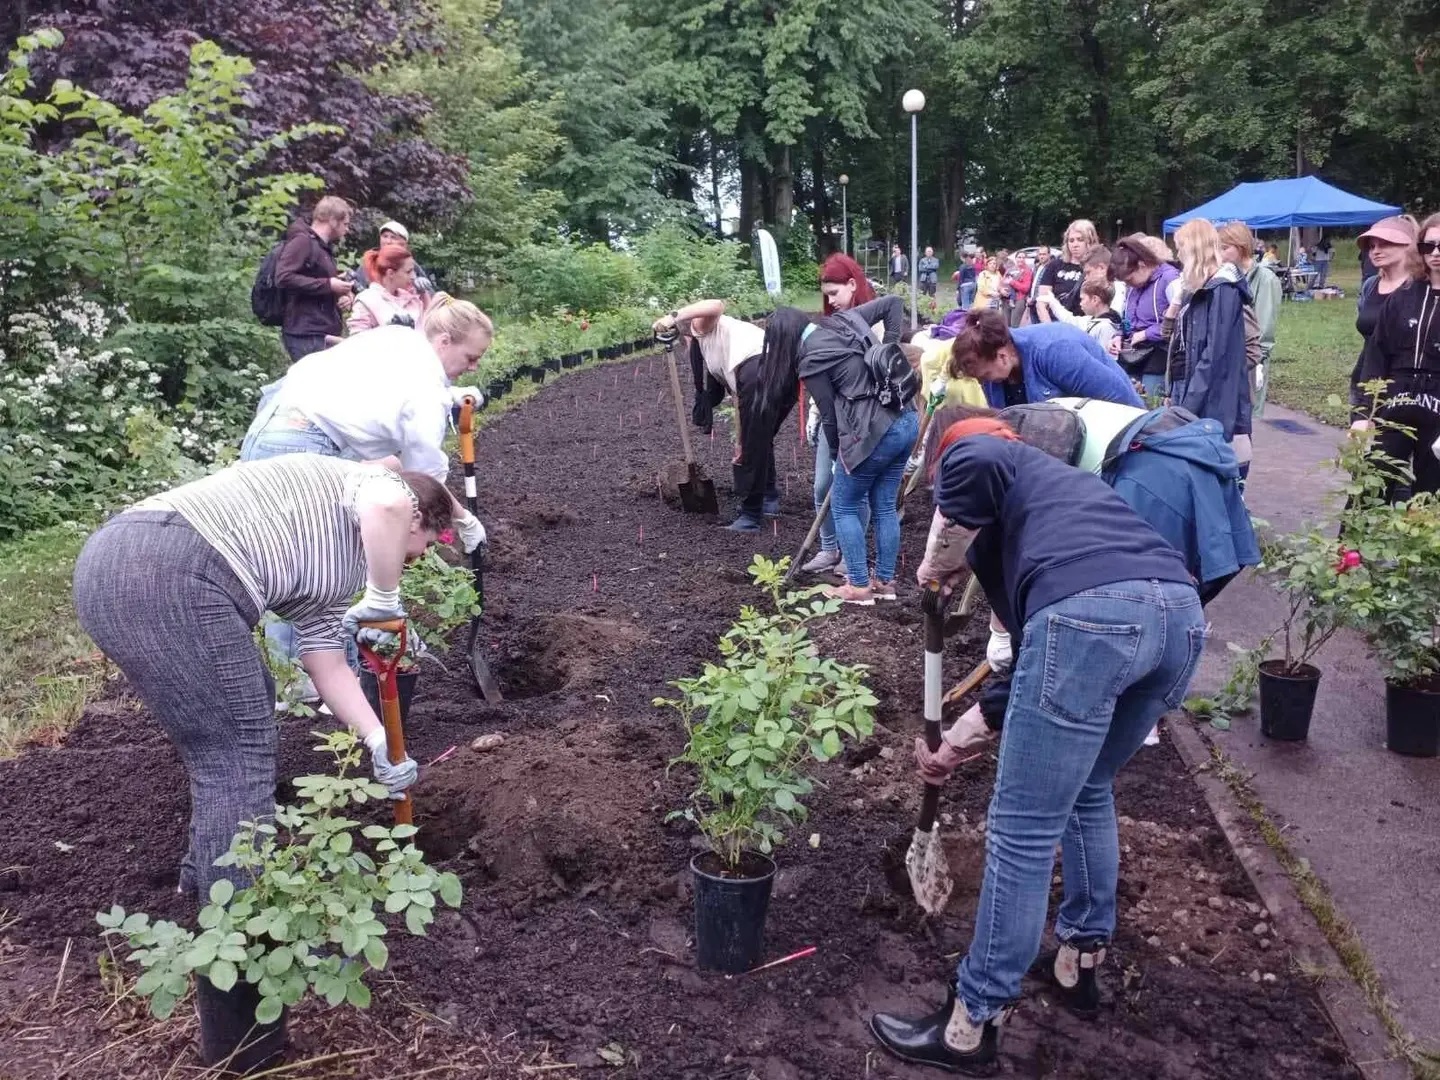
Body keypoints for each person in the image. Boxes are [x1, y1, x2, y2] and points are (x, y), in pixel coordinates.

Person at [869, 427, 1204, 1076]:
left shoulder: (980, 450)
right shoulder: (1060, 508)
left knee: (1022, 833)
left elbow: (1062, 641)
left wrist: (939, 551)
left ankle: (973, 1022)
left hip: (1095, 622)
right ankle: (1079, 961)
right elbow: (1037, 663)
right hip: (1176, 618)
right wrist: (960, 741)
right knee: (1088, 786)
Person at [73, 456, 450, 903]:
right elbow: (388, 504)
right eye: (424, 545)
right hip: (173, 561)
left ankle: (197, 887)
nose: (420, 557)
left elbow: (327, 665)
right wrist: (385, 598)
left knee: (235, 726)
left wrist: (376, 740)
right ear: (417, 518)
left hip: (116, 565)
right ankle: (239, 942)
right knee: (238, 752)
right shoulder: (371, 484)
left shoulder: (343, 573)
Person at [241, 302, 494, 692]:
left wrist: (451, 394)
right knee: (313, 562)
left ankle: (330, 663)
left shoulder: (402, 339)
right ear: (444, 341)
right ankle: (306, 683)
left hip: (276, 420)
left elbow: (379, 384)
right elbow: (422, 480)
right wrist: (461, 518)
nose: (474, 366)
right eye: (470, 357)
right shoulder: (424, 392)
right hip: (300, 441)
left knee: (317, 553)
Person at [766, 294, 914, 604]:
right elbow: (894, 303)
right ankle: (884, 582)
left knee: (844, 504)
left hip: (874, 432)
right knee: (884, 504)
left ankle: (858, 586)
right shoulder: (846, 319)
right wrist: (886, 349)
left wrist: (838, 456)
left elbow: (830, 418)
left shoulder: (810, 359)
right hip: (907, 418)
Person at [651, 299, 772, 531]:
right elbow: (737, 397)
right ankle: (769, 498)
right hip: (766, 372)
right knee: (759, 435)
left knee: (755, 440)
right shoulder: (707, 349)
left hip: (763, 368)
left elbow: (716, 304)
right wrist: (739, 441)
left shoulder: (701, 326)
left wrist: (672, 316)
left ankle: (751, 515)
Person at [1353, 212, 1440, 501]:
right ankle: (1354, 547)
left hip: (1437, 405)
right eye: (1429, 246)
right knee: (1371, 485)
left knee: (1430, 495)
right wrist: (1364, 413)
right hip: (1395, 398)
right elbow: (1376, 357)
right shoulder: (1404, 296)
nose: (1436, 253)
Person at [801, 255, 880, 573]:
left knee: (855, 490)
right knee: (822, 485)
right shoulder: (829, 326)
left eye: (834, 293)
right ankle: (828, 549)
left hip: (862, 422)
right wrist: (813, 412)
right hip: (830, 418)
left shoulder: (875, 324)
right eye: (826, 296)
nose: (830, 302)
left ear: (852, 285)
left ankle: (851, 555)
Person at [1164, 219, 1257, 475]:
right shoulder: (1201, 289)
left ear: (1194, 249)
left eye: (1180, 247)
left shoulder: (1223, 289)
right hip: (1195, 389)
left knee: (1213, 470)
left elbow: (1214, 355)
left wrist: (1188, 407)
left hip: (1213, 399)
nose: (1178, 254)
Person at [948, 310, 1143, 410]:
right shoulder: (993, 370)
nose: (984, 383)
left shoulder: (1056, 351)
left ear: (1003, 356)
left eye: (985, 376)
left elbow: (1120, 401)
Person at [1350, 216, 1421, 408]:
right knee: (1361, 436)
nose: (1376, 251)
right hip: (1365, 382)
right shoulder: (1370, 286)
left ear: (1409, 246)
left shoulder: (1422, 288)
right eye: (1372, 246)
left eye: (1385, 244)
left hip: (1408, 388)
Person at [275, 195, 353, 361]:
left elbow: (314, 280)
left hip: (320, 331)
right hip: (305, 333)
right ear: (333, 220)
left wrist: (340, 293)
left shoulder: (322, 247)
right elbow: (283, 276)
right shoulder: (302, 241)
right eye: (345, 223)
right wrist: (328, 285)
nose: (347, 229)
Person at [1218, 222, 1283, 410]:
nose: (1220, 254)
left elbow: (1264, 328)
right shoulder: (1228, 275)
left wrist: (1256, 365)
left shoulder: (1265, 279)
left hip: (1249, 362)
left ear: (1241, 247)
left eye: (1225, 248)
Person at [1110, 234, 1180, 397]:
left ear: (1142, 265)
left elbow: (1182, 318)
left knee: (1151, 402)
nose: (1128, 284)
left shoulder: (1170, 278)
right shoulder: (1132, 287)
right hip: (1133, 357)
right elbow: (1127, 319)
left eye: (1129, 279)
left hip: (1159, 355)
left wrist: (1146, 334)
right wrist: (1119, 335)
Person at [348, 245, 427, 334]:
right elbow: (357, 340)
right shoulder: (367, 300)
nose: (413, 276)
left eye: (413, 271)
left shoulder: (411, 298)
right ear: (391, 273)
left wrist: (424, 294)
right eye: (408, 272)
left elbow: (429, 328)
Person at [1034, 220, 1094, 321]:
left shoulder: (1096, 267)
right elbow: (1042, 302)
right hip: (1056, 324)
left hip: (1084, 325)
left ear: (1090, 241)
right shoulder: (1054, 265)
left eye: (1080, 239)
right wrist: (1050, 330)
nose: (1075, 244)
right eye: (1071, 240)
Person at [1041, 280, 1121, 354]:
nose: (1080, 303)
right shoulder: (1091, 320)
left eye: (1082, 299)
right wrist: (1053, 302)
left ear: (1095, 300)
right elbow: (1069, 319)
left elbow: (1106, 359)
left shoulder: (1106, 327)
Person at [1001, 255, 1033, 328]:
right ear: (1015, 258)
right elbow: (1001, 283)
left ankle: (1015, 339)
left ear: (1025, 259)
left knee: (1015, 325)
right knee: (1006, 325)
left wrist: (1012, 282)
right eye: (1019, 257)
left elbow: (1026, 288)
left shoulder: (1027, 271)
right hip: (1006, 299)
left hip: (1019, 299)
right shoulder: (1010, 269)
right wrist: (1001, 290)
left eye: (1023, 257)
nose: (1021, 259)